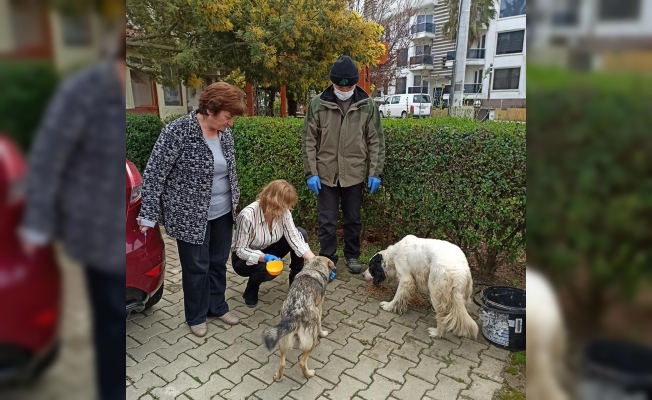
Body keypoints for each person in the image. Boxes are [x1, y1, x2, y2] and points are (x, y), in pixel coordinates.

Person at [18, 29, 127, 400]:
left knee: (112, 309)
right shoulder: (80, 92)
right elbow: (48, 156)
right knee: (107, 314)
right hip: (90, 223)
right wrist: (36, 224)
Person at [137, 82, 246, 337]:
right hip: (189, 214)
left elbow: (228, 170)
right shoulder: (178, 131)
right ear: (210, 109)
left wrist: (235, 199)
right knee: (197, 267)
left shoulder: (225, 134)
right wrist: (148, 214)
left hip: (222, 211)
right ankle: (196, 315)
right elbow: (154, 174)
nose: (230, 123)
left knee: (218, 262)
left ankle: (217, 306)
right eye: (227, 117)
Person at [301, 55, 385, 277]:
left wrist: (375, 172)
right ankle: (327, 259)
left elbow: (376, 140)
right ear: (332, 82)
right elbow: (309, 140)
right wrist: (311, 172)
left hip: (355, 173)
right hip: (325, 174)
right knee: (327, 221)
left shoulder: (367, 105)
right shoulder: (318, 103)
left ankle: (352, 255)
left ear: (355, 83)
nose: (344, 90)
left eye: (348, 87)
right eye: (340, 86)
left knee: (353, 218)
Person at [231, 180, 316, 307]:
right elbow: (240, 250)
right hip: (243, 258)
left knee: (301, 233)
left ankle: (295, 280)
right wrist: (264, 257)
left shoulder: (284, 211)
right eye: (284, 206)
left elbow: (294, 237)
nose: (287, 209)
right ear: (272, 202)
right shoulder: (247, 216)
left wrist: (316, 261)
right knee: (267, 271)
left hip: (269, 249)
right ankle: (252, 287)